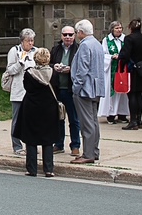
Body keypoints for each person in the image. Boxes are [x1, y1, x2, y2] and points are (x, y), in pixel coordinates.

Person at [13, 47, 58, 176]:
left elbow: (26, 87)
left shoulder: (29, 73)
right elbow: (57, 88)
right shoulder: (53, 73)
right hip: (49, 108)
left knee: (30, 138)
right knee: (48, 139)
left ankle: (31, 169)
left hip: (31, 107)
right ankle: (48, 169)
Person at [70, 19, 105, 164]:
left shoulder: (85, 45)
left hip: (86, 88)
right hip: (96, 87)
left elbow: (82, 69)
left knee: (87, 123)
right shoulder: (97, 43)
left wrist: (76, 87)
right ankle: (94, 151)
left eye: (77, 32)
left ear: (81, 32)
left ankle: (88, 153)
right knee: (94, 121)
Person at [50, 25, 81, 155]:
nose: (67, 37)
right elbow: (48, 64)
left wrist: (71, 70)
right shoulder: (56, 49)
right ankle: (58, 143)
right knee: (58, 118)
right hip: (57, 89)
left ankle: (75, 145)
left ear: (74, 36)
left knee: (74, 119)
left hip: (70, 89)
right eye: (65, 35)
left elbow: (81, 67)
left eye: (70, 35)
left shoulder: (78, 49)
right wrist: (54, 67)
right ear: (61, 36)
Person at [5, 28, 36, 154]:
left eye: (32, 41)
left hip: (32, 92)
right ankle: (17, 146)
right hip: (18, 91)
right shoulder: (15, 51)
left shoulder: (36, 51)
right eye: (28, 41)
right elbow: (10, 70)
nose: (30, 43)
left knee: (32, 119)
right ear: (22, 41)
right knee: (17, 120)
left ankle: (31, 145)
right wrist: (20, 63)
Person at [121, 18, 142, 130]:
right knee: (139, 95)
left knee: (132, 94)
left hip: (132, 69)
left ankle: (133, 121)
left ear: (130, 27)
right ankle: (139, 120)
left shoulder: (129, 39)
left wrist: (122, 61)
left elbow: (125, 54)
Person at [99, 20, 129, 123]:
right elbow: (102, 55)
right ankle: (111, 114)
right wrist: (112, 57)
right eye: (117, 28)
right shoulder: (106, 40)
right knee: (112, 91)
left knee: (123, 92)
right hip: (111, 69)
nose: (119, 30)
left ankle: (122, 113)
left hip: (123, 69)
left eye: (120, 28)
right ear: (112, 29)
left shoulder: (125, 39)